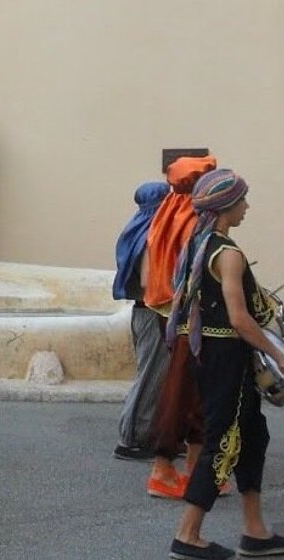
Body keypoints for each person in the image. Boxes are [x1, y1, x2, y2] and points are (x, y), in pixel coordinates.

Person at [167, 169, 284, 560]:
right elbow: (240, 319)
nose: (247, 206)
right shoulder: (228, 254)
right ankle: (187, 534)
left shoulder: (200, 244)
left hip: (210, 353)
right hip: (228, 358)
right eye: (242, 200)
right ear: (226, 206)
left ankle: (255, 531)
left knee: (253, 436)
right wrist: (281, 357)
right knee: (223, 441)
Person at [145, 155, 217, 499]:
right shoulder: (192, 215)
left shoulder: (166, 211)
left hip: (166, 307)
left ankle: (196, 466)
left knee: (192, 388)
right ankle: (164, 468)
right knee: (182, 389)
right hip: (189, 313)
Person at [111, 180, 170, 461]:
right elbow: (149, 280)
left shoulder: (137, 230)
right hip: (152, 312)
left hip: (145, 311)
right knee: (149, 377)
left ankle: (149, 434)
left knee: (158, 377)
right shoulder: (151, 234)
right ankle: (130, 438)